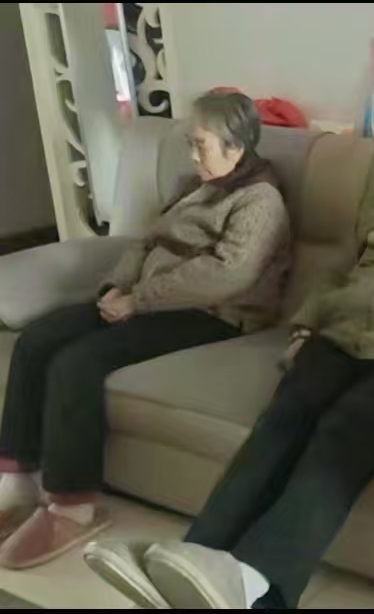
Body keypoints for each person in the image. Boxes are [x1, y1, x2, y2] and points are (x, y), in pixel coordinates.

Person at [85, 106, 374, 609]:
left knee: (339, 439)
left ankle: (255, 585)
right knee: (279, 426)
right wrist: (307, 326)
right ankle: (191, 563)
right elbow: (345, 273)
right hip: (339, 339)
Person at [0, 91, 292, 569]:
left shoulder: (261, 200)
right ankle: (17, 482)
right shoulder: (194, 186)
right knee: (37, 340)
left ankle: (73, 506)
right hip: (144, 300)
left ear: (236, 147)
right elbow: (146, 242)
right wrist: (116, 286)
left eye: (201, 145)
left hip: (212, 316)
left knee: (77, 362)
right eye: (190, 144)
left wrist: (138, 301)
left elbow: (226, 275)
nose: (192, 155)